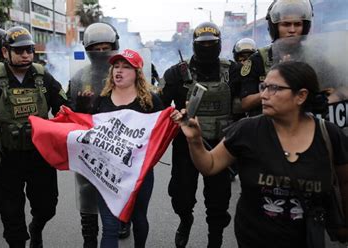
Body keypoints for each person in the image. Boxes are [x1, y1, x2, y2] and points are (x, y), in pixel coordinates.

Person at [172, 61, 348, 247]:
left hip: (308, 238)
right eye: (264, 87)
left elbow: (344, 183)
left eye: (274, 89)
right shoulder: (246, 130)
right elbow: (210, 165)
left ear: (301, 96)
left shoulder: (329, 135)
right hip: (253, 237)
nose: (263, 95)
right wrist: (194, 140)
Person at [0, 26, 68, 248]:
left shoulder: (42, 77)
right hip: (6, 158)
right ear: (6, 52)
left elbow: (63, 109)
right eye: (19, 51)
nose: (26, 54)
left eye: (29, 49)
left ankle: (36, 227)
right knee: (10, 212)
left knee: (47, 206)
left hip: (39, 156)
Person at [161, 22, 239, 248]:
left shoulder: (231, 71)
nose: (207, 47)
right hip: (185, 146)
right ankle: (185, 220)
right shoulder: (176, 73)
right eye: (202, 44)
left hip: (220, 145)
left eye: (211, 44)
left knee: (218, 201)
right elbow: (159, 106)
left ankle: (215, 240)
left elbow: (245, 102)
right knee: (181, 197)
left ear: (219, 45)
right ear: (194, 45)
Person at [77, 49, 163, 248]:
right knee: (109, 225)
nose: (119, 71)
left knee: (139, 218)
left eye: (126, 67)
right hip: (106, 173)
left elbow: (163, 132)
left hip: (138, 174)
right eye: (116, 66)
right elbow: (85, 132)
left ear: (137, 72)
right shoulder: (101, 100)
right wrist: (81, 110)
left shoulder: (150, 101)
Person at [67, 22, 125, 247]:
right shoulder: (79, 77)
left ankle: (121, 221)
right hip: (89, 146)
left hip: (118, 146)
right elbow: (66, 113)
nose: (102, 53)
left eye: (106, 48)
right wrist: (79, 108)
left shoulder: (125, 74)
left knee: (118, 190)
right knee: (87, 193)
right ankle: (89, 238)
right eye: (96, 49)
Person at [240, 0, 313, 116]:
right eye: (286, 24)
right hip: (267, 127)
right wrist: (276, 85)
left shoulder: (314, 56)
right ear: (275, 28)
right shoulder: (259, 59)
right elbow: (245, 103)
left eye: (298, 24)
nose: (292, 30)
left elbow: (339, 89)